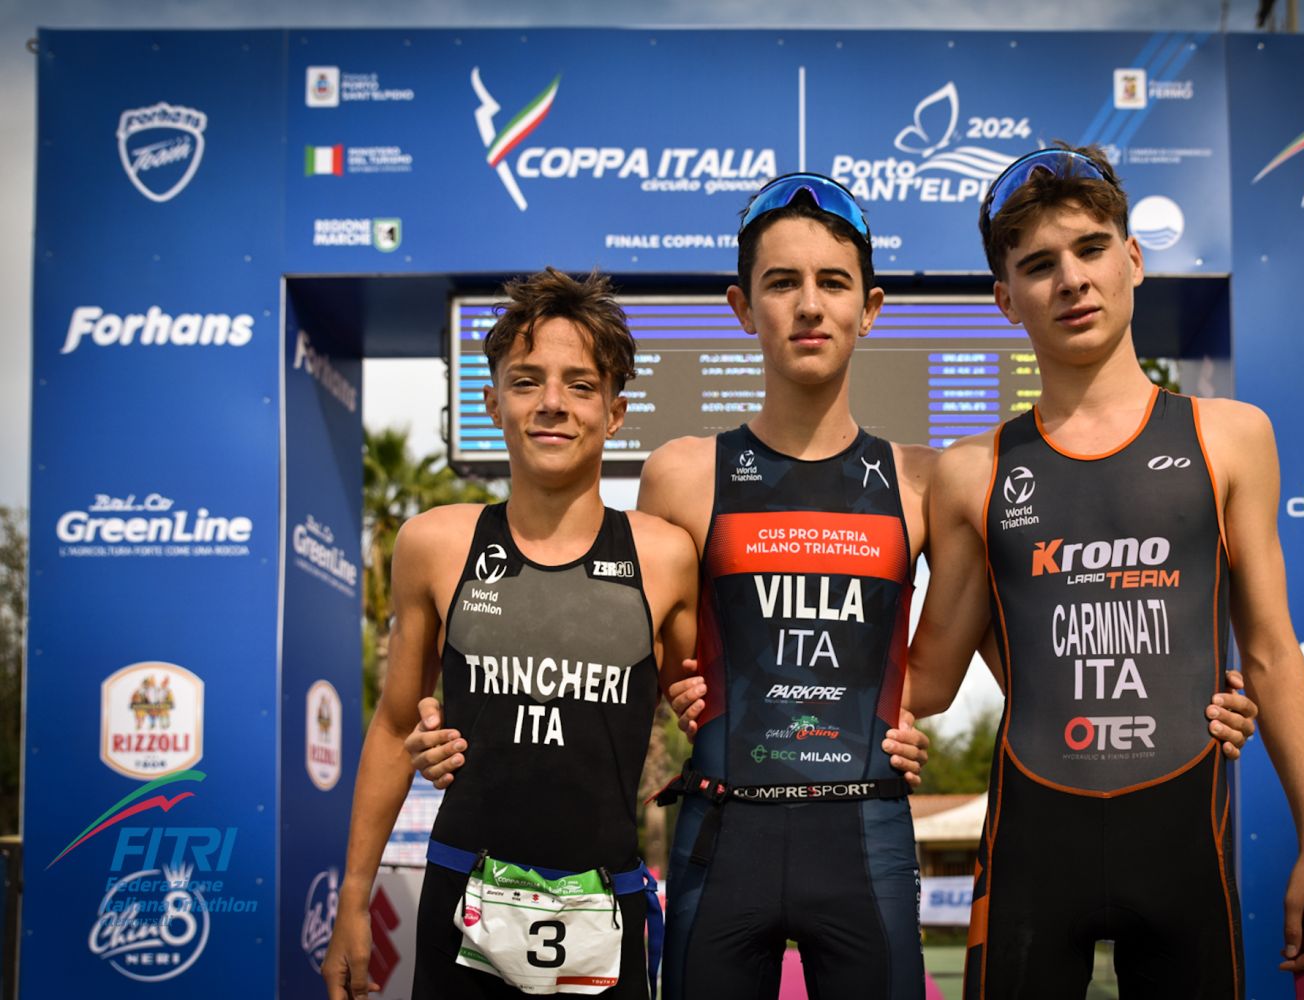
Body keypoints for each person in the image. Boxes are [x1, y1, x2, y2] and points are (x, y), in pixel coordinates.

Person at [407, 174, 1261, 999]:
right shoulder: (682, 474)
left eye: (833, 283)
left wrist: (1172, 699)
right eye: (782, 283)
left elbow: (992, 656)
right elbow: (624, 640)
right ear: (743, 308)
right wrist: (470, 716)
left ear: (870, 307)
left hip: (865, 835)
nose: (809, 305)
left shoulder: (924, 480)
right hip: (721, 837)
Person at [902, 146, 1304, 998]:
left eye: (1091, 248)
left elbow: (1269, 652)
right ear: (1006, 299)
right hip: (1034, 846)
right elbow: (926, 679)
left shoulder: (1231, 436)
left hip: (1184, 847)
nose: (1072, 279)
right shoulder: (972, 473)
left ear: (1133, 259)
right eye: (1039, 265)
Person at [321, 268, 698, 1000]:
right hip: (461, 901)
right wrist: (353, 898)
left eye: (580, 385)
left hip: (606, 905)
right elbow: (396, 723)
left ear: (615, 412)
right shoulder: (434, 544)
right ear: (492, 402)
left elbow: (707, 715)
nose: (552, 403)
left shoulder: (665, 556)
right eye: (527, 382)